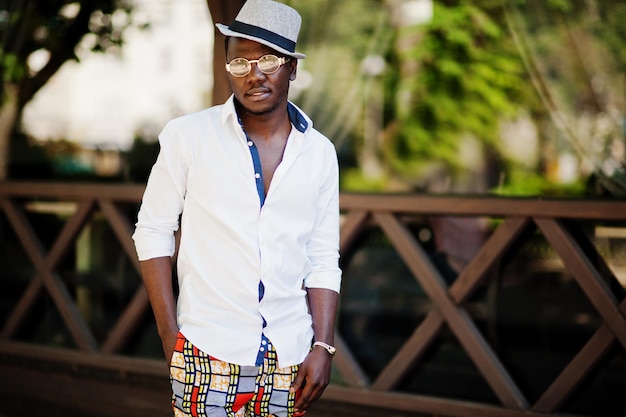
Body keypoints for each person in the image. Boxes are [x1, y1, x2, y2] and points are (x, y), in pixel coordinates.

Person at [132, 0, 342, 416]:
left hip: (290, 356)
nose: (254, 75)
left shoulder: (319, 153)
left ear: (292, 67)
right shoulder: (188, 136)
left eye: (268, 60)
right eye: (240, 65)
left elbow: (322, 257)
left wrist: (323, 346)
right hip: (205, 350)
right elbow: (152, 231)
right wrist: (169, 336)